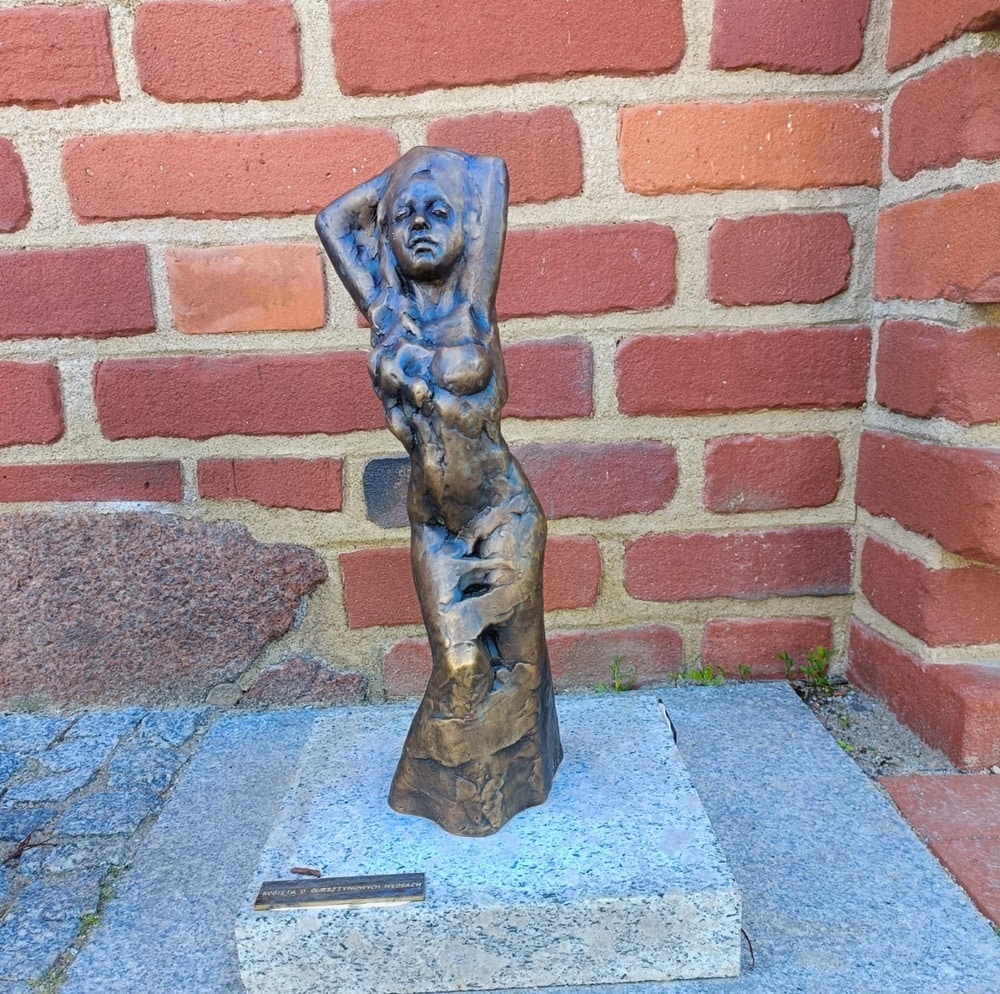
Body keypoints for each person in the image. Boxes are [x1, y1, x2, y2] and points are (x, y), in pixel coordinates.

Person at [317, 147, 562, 836]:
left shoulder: (473, 311)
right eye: (403, 217)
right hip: (437, 530)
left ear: (468, 227)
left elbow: (490, 174)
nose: (419, 224)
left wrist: (430, 169)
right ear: (385, 237)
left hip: (503, 518)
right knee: (459, 667)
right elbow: (333, 219)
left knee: (514, 675)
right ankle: (442, 789)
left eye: (437, 212)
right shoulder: (387, 313)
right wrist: (403, 174)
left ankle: (507, 782)